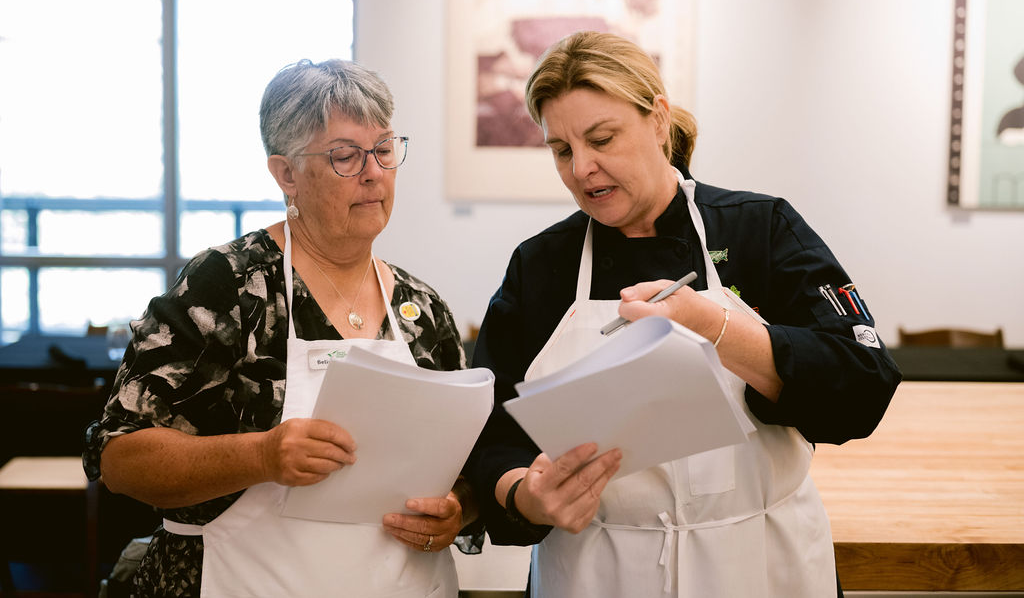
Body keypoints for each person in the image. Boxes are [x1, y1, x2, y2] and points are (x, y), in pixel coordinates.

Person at [465, 31, 901, 597]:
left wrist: (715, 326)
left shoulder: (759, 228)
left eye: (602, 138)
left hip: (756, 562)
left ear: (658, 120)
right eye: (562, 150)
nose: (582, 169)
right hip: (596, 569)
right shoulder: (541, 265)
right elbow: (491, 432)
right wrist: (524, 493)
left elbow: (864, 383)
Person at [84, 59, 480, 597]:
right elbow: (119, 458)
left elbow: (466, 464)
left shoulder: (420, 307)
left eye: (384, 149)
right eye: (344, 156)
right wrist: (262, 456)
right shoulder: (229, 286)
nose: (373, 172)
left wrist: (456, 509)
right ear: (286, 173)